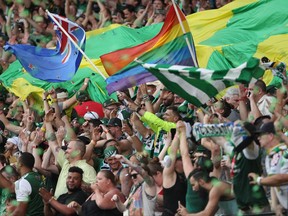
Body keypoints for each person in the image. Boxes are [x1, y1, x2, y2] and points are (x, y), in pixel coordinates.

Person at [256, 121, 288, 211]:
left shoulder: (285, 153)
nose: (258, 138)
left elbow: (281, 178)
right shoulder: (269, 156)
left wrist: (259, 180)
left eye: (261, 135)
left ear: (270, 136)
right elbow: (273, 181)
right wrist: (275, 206)